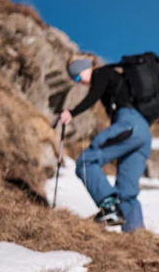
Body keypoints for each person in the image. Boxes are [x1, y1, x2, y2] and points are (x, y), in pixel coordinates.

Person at [58, 56, 151, 232]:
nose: (78, 83)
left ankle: (109, 206)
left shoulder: (101, 72)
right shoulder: (116, 76)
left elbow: (93, 96)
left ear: (84, 67)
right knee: (127, 191)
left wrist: (71, 112)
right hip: (143, 133)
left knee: (85, 161)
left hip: (128, 125)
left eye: (77, 77)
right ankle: (136, 236)